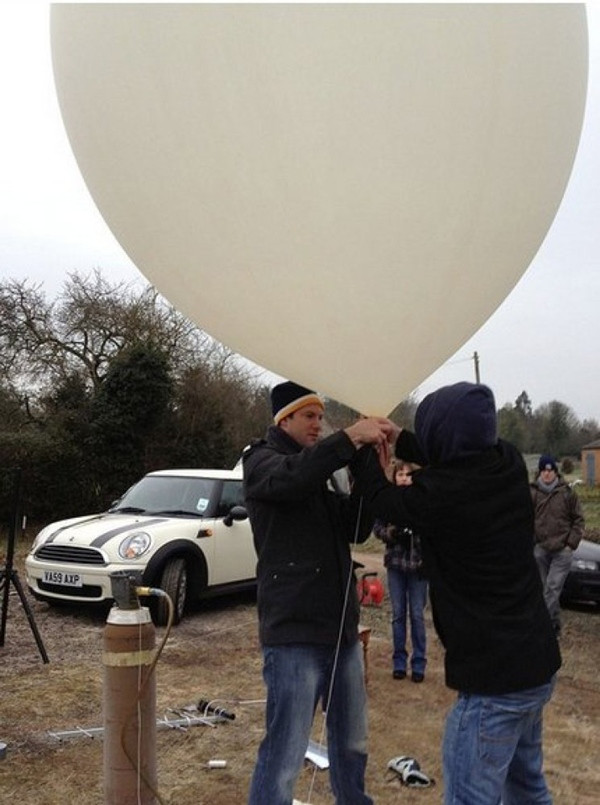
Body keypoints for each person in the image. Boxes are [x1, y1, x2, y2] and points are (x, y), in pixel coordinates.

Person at [352, 382, 561, 805]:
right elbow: (454, 453)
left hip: (495, 682)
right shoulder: (505, 462)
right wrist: (402, 437)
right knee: (527, 790)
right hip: (535, 664)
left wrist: (359, 447)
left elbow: (382, 499)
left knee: (470, 798)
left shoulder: (445, 495)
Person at [243, 380, 391, 805]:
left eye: (321, 416)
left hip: (340, 632)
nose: (318, 424)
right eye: (309, 416)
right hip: (293, 635)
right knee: (285, 754)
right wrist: (347, 439)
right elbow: (292, 480)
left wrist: (369, 471)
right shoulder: (261, 461)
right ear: (283, 418)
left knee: (351, 745)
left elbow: (355, 528)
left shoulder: (322, 470)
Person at [373, 460, 428, 682]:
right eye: (400, 474)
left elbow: (434, 528)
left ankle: (419, 662)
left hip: (418, 565)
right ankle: (398, 661)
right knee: (398, 615)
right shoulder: (389, 501)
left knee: (417, 615)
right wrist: (393, 534)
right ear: (394, 477)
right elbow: (377, 528)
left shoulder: (423, 500)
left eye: (407, 474)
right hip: (395, 564)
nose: (404, 478)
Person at [531, 454, 585, 637]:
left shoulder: (567, 493)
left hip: (562, 550)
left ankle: (541, 629)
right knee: (544, 589)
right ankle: (554, 626)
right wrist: (533, 542)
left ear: (555, 472)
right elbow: (525, 519)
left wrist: (571, 543)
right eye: (544, 470)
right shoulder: (532, 492)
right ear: (540, 472)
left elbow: (579, 520)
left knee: (553, 588)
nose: (547, 474)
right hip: (541, 549)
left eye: (550, 470)